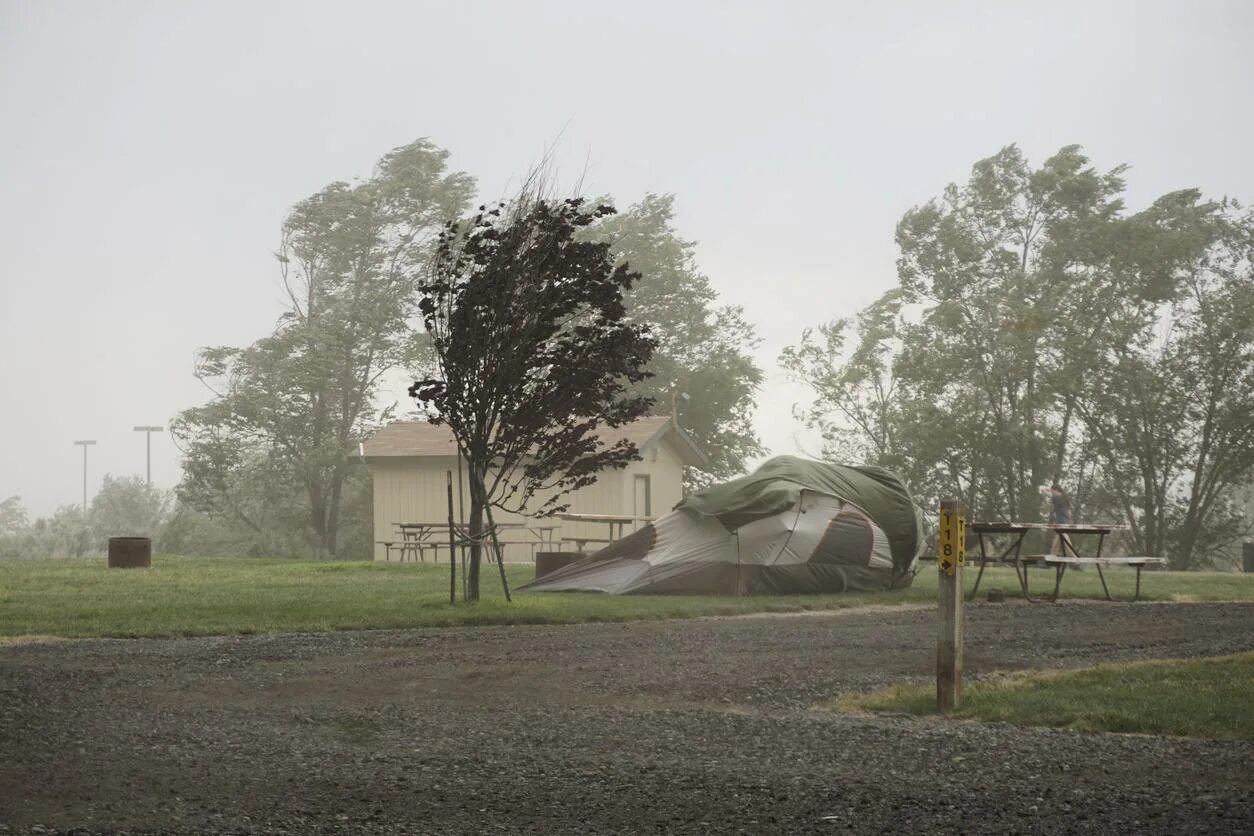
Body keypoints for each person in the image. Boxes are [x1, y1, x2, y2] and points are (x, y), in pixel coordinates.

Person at [1047, 482, 1072, 556]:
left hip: (1063, 522)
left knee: (1065, 541)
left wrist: (1046, 491)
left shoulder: (1058, 497)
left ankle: (1075, 559)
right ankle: (1052, 556)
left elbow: (1053, 498)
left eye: (1052, 491)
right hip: (1063, 521)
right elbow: (1069, 512)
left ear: (1056, 490)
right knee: (1057, 541)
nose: (1052, 493)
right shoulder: (1064, 498)